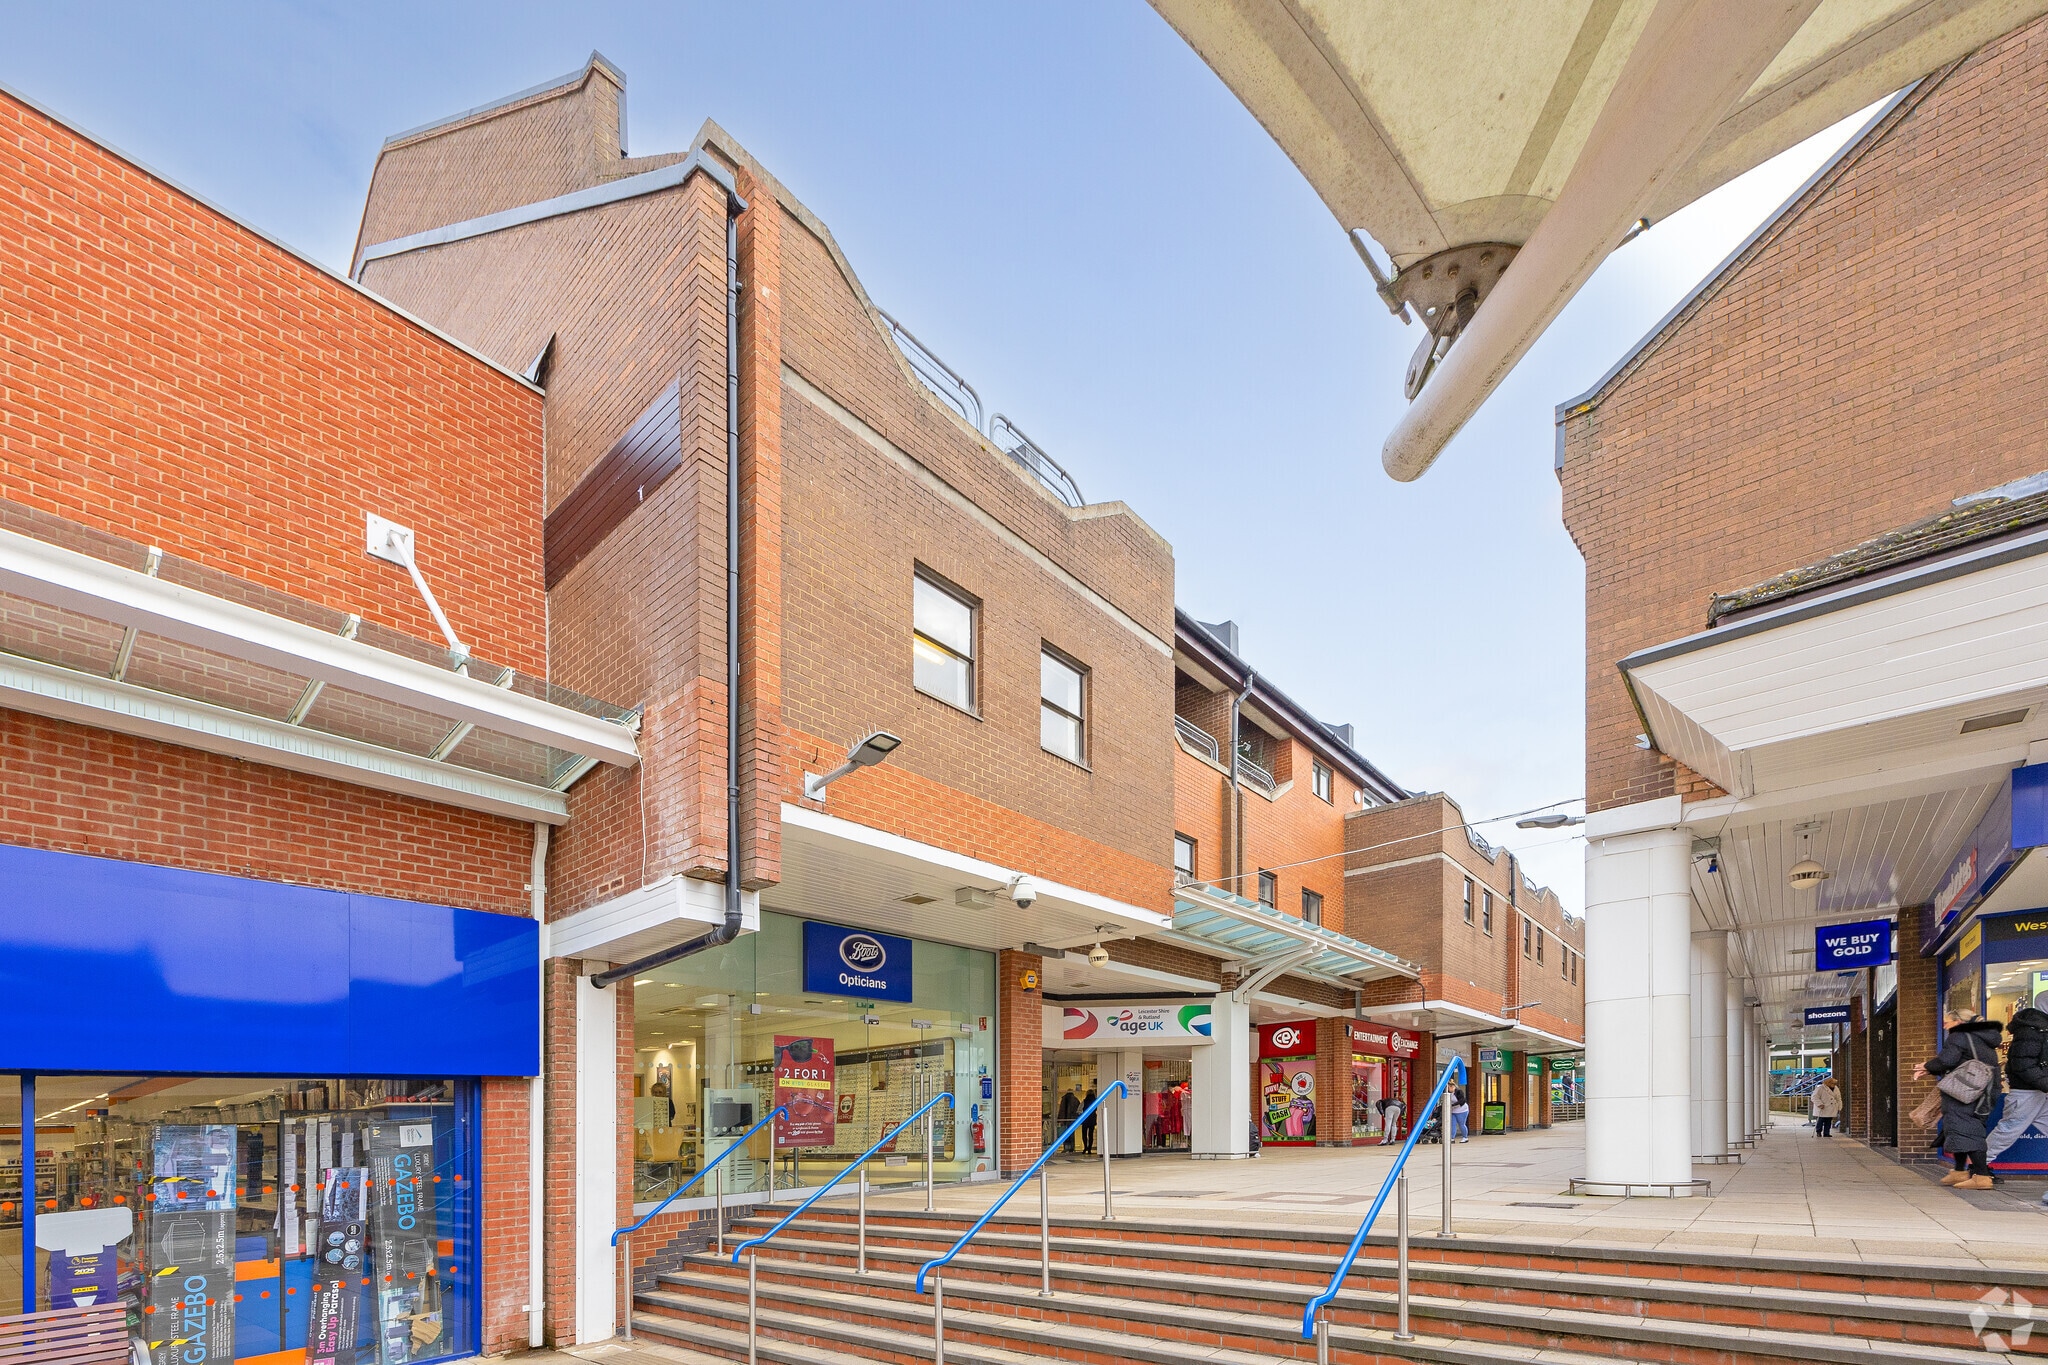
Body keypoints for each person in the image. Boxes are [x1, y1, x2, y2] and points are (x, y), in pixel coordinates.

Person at [1915, 998, 2003, 1191]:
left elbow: (1947, 1060)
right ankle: (1959, 1171)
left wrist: (1928, 1066)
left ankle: (1981, 1176)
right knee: (1958, 1129)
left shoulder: (1959, 1036)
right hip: (1983, 1091)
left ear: (1959, 1022)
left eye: (1948, 1022)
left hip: (1965, 1093)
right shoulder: (1981, 1038)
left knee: (1968, 1130)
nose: (1945, 1026)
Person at [1988, 997, 2048, 1169]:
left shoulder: (2040, 1029)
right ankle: (1978, 1167)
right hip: (2026, 1093)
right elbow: (2022, 1064)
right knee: (2007, 1131)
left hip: (2039, 1092)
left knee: (2007, 1130)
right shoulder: (2032, 1030)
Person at [1057, 1085, 1082, 1153]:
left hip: (1065, 1119)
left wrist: (1059, 1119)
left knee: (1065, 1134)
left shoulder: (1063, 1099)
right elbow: (1078, 1110)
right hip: (1072, 1120)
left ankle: (1066, 1147)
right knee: (1071, 1134)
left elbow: (1061, 1110)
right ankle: (1071, 1148)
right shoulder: (1075, 1099)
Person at [1080, 1085, 1099, 1155]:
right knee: (1090, 1135)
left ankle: (1085, 1147)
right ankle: (1090, 1149)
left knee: (1084, 1134)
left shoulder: (1084, 1101)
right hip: (1092, 1119)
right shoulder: (1095, 1101)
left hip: (1085, 1119)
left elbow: (1079, 1109)